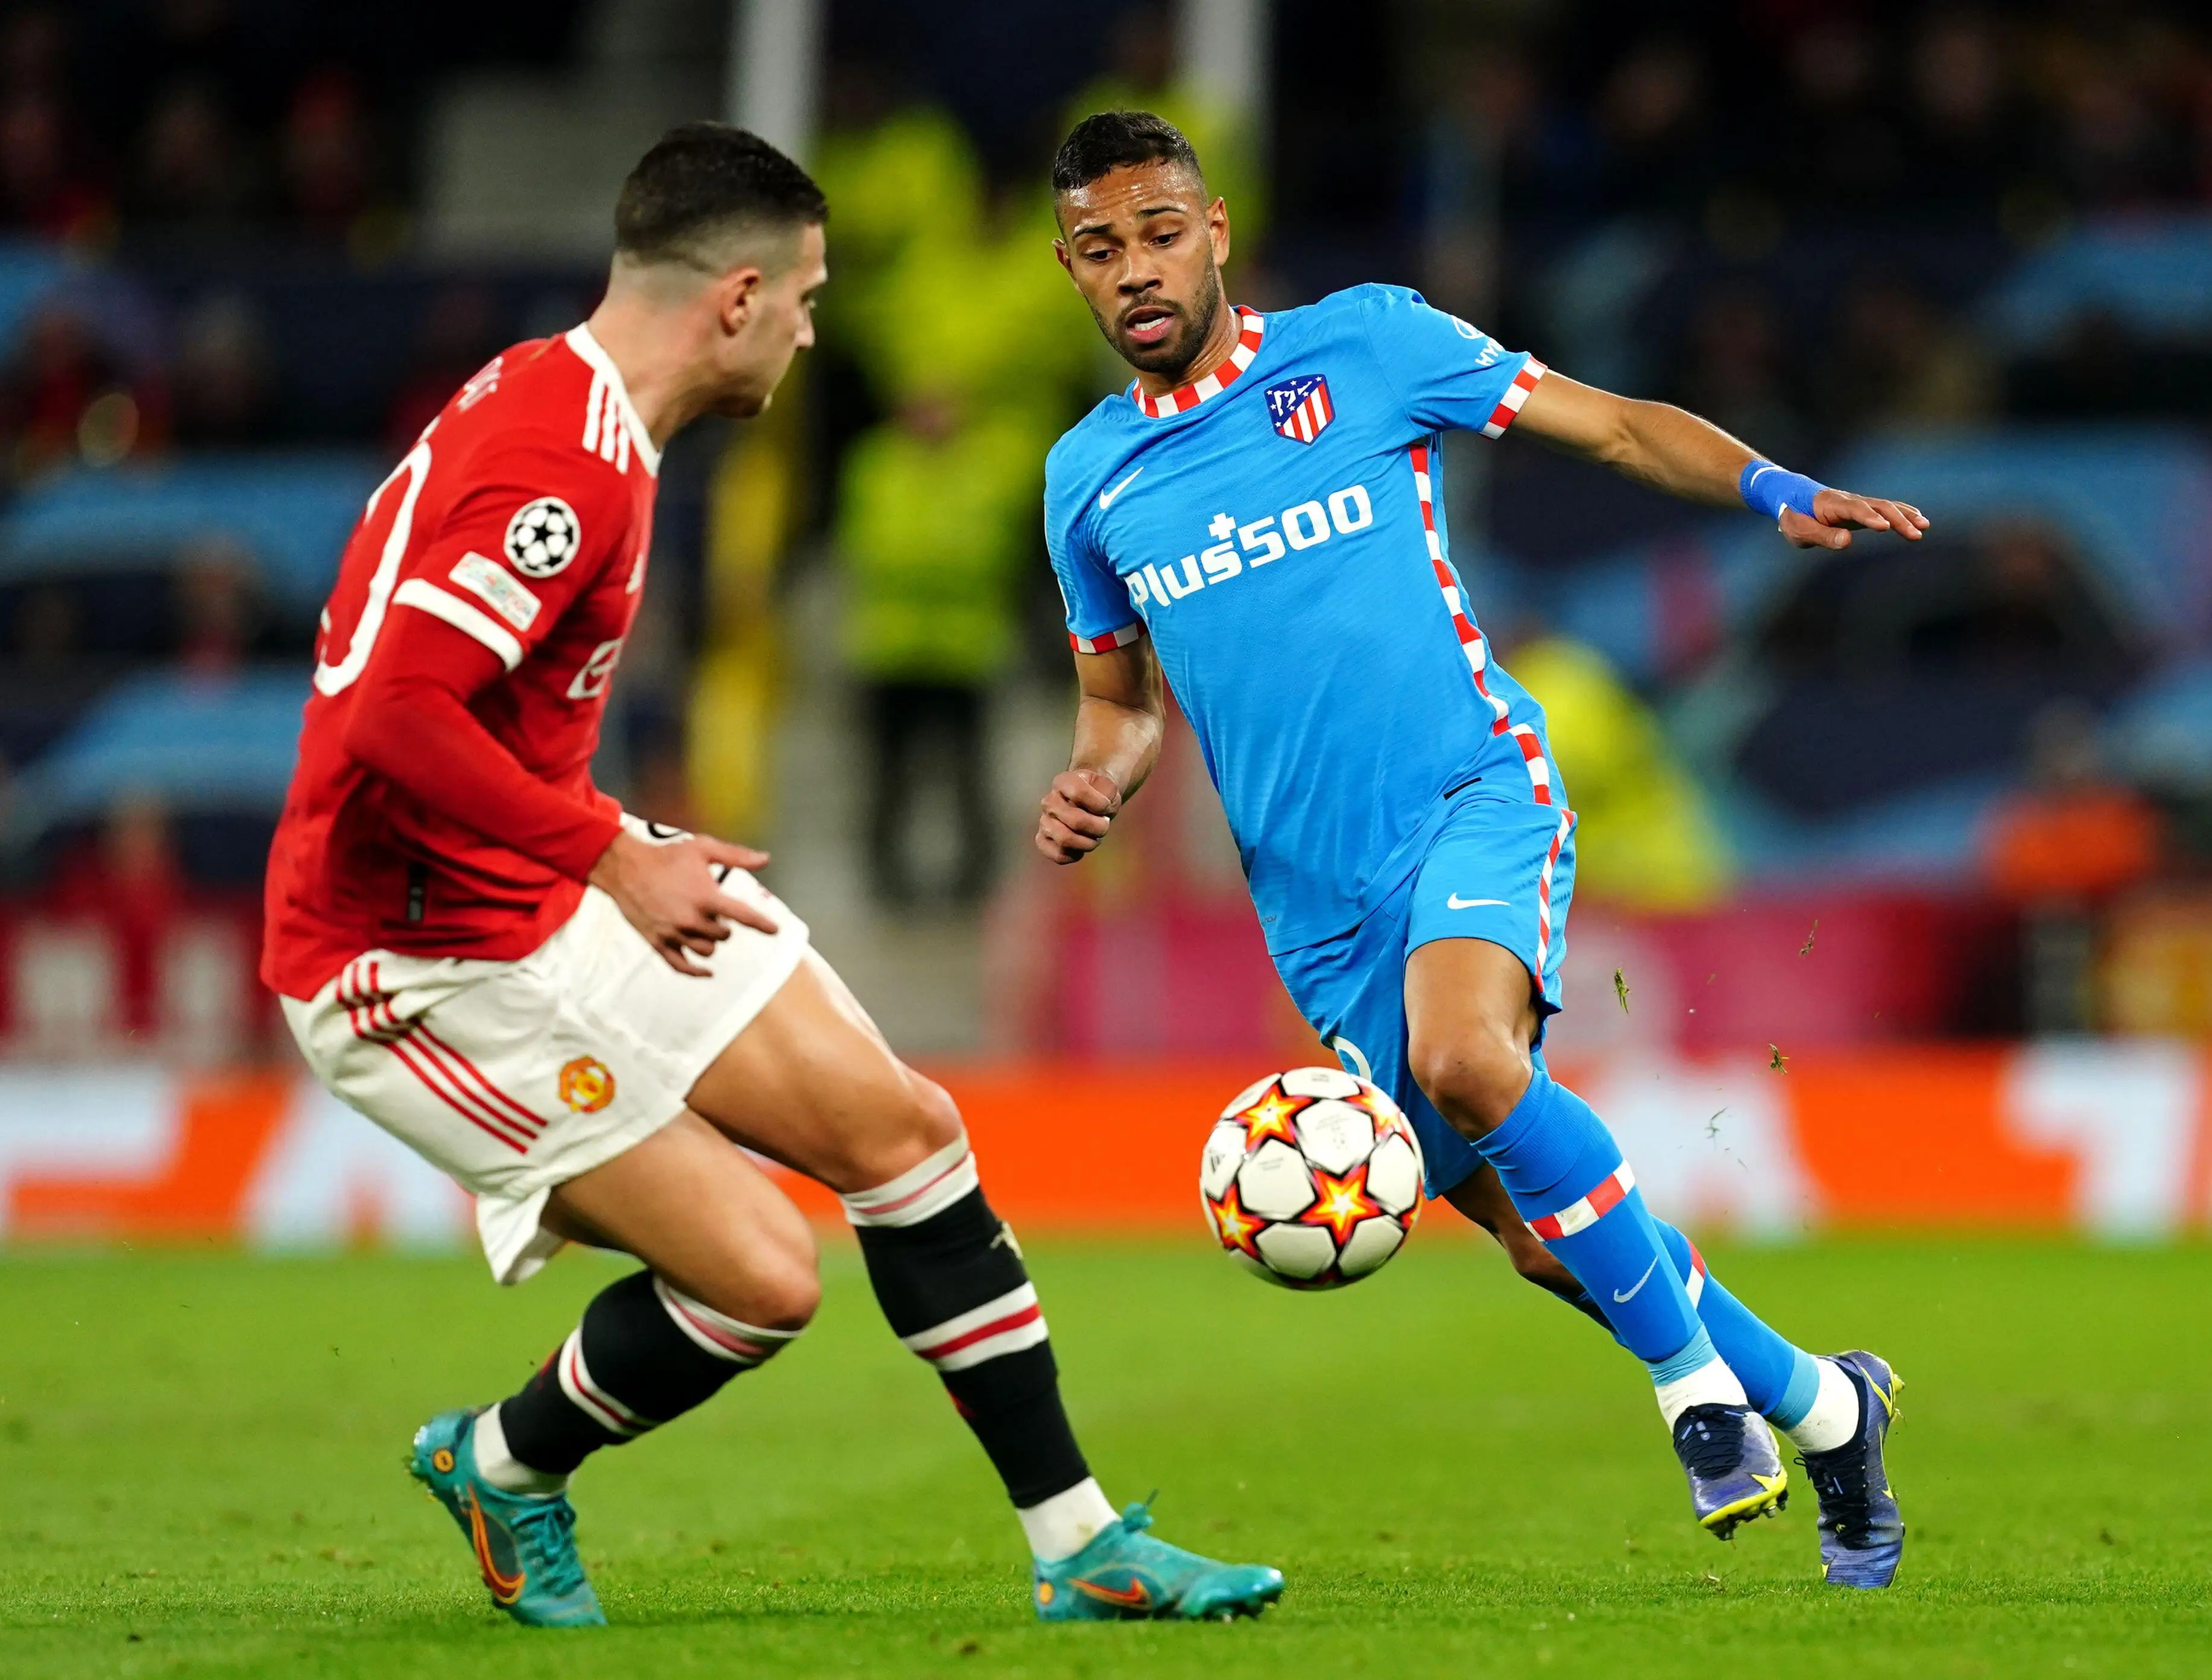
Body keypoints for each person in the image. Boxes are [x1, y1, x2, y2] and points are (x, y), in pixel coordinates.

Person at [262, 122, 1281, 1631]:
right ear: (736, 298)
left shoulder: (571, 406)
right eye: (803, 302)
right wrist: (614, 853)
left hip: (546, 882)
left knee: (905, 1134)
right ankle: (503, 1463)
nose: (809, 334)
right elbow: (392, 717)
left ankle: (1080, 1547)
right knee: (761, 1278)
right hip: (412, 967)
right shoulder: (564, 460)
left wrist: (596, 855)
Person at [1034, 112, 1927, 1589]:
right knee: (1537, 1236)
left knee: (1464, 1057)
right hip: (1314, 909)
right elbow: (1117, 706)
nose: (1134, 268)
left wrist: (1774, 487)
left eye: (1160, 232)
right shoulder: (1086, 481)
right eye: (1098, 247)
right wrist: (1095, 779)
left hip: (1471, 789)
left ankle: (1696, 1399)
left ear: (1217, 232)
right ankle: (1829, 1406)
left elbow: (1615, 425)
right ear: (1069, 269)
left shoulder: (1370, 345)